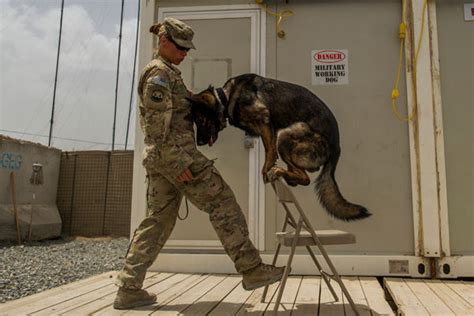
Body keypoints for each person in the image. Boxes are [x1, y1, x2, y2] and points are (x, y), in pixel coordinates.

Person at [113, 17, 285, 310]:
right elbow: (155, 127)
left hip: (163, 160)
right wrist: (179, 161)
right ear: (163, 40)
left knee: (157, 222)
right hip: (175, 157)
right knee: (222, 202)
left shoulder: (169, 73)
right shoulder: (159, 76)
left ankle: (129, 288)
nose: (184, 53)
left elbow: (177, 114)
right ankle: (252, 269)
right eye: (180, 47)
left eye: (187, 49)